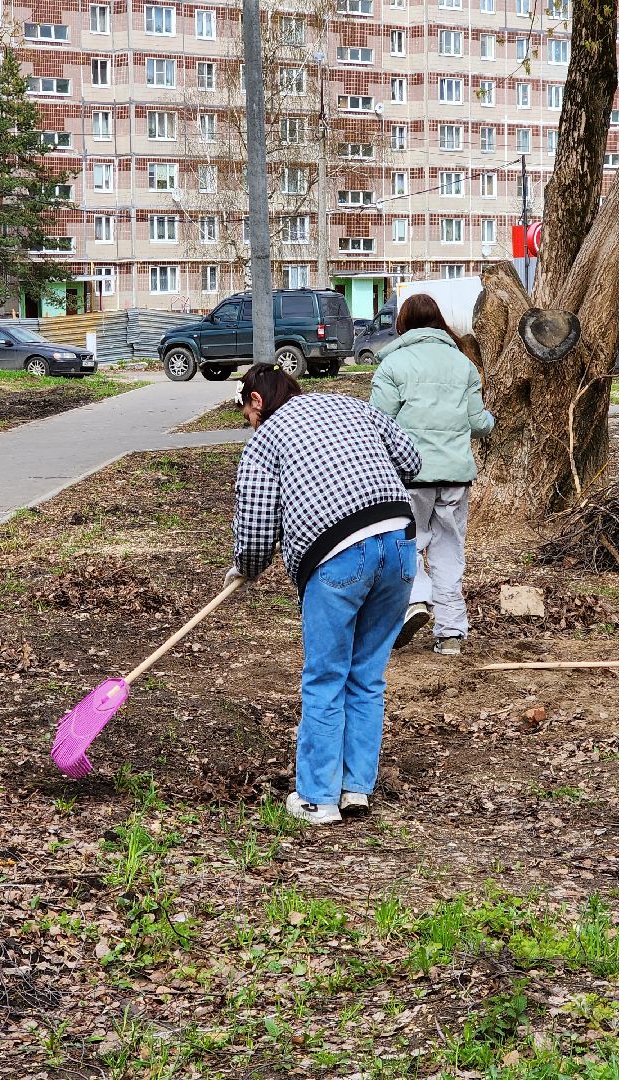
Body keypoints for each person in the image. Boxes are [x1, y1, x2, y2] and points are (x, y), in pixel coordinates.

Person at [227, 364, 422, 826]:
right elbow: (411, 461)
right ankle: (356, 789)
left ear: (256, 401)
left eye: (246, 413)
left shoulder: (266, 438)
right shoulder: (351, 405)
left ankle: (317, 799)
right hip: (398, 543)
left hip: (337, 556)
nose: (249, 423)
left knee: (325, 676)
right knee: (367, 676)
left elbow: (255, 529)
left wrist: (248, 566)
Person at [370, 293, 495, 656]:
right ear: (438, 321)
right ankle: (451, 633)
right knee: (449, 551)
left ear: (402, 324)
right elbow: (478, 422)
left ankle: (414, 603)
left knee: (405, 546)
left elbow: (378, 422)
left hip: (408, 475)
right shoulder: (464, 365)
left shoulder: (393, 365)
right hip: (455, 475)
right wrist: (492, 421)